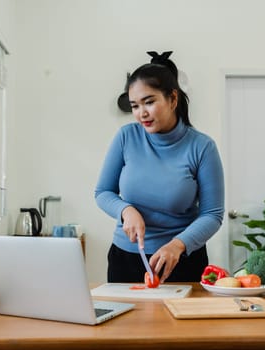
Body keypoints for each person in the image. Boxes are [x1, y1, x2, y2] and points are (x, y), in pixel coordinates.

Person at [94, 51, 225, 283]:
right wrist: (126, 211)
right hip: (125, 258)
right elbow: (103, 192)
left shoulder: (202, 147)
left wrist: (177, 245)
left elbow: (212, 214)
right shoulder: (126, 137)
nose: (141, 113)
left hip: (181, 260)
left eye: (149, 102)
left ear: (173, 99)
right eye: (135, 106)